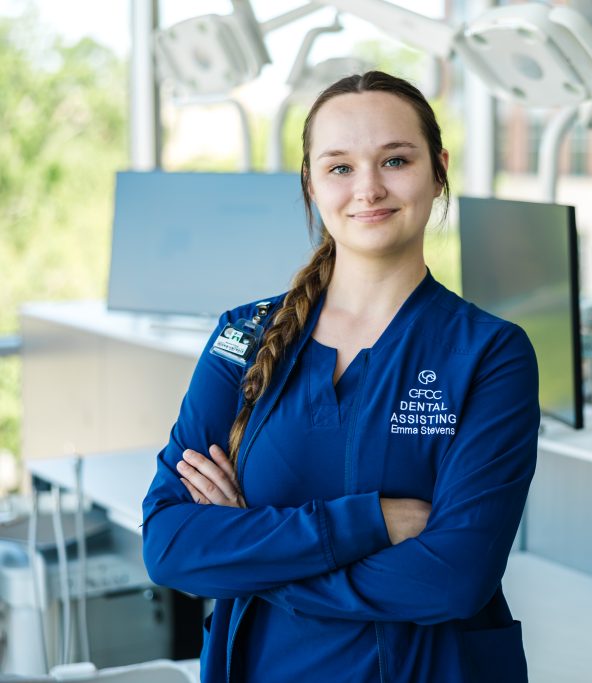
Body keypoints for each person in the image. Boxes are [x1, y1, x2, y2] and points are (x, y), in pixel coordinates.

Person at [141, 71, 540, 683]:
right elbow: (169, 545)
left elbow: (454, 579)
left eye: (395, 160)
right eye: (340, 168)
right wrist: (371, 523)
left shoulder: (489, 355)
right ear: (310, 183)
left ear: (438, 170)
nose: (369, 189)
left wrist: (247, 553)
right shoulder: (244, 336)